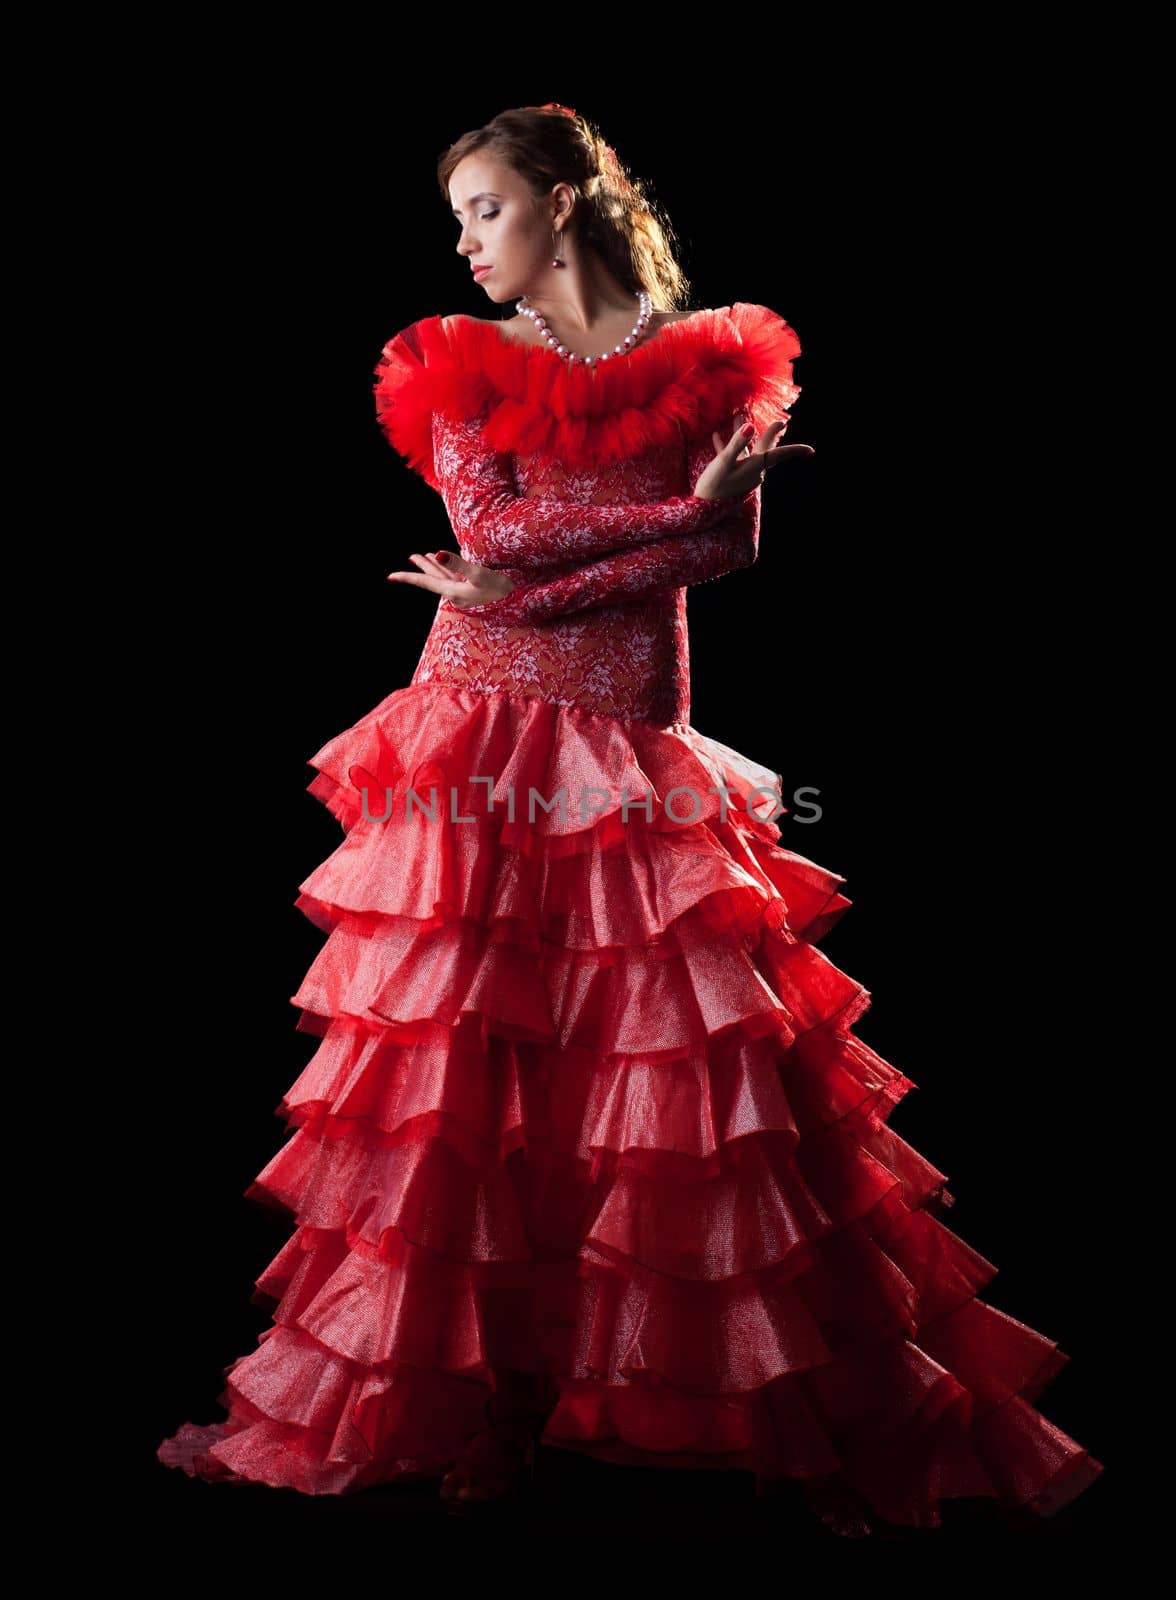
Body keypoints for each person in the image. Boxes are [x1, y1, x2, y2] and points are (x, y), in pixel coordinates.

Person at [157, 104, 1104, 1534]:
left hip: (633, 743)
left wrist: (580, 565)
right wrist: (599, 553)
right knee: (462, 1094)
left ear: (565, 198)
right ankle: (475, 1406)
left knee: (676, 1095)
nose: (466, 240)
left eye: (486, 208)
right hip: (477, 739)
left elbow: (726, 548)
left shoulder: (710, 361)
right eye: (460, 216)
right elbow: (499, 534)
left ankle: (741, 1411)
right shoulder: (456, 362)